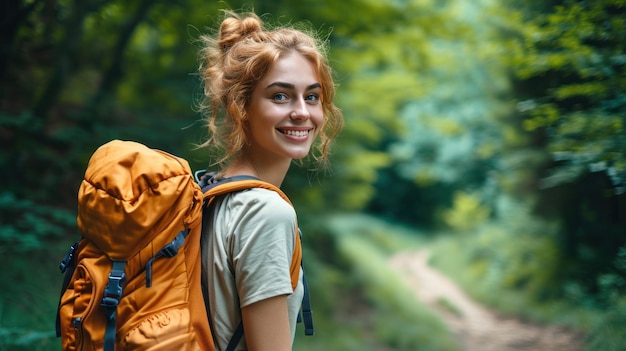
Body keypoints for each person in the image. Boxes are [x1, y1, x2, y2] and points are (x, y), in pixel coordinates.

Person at [196, 10, 343, 351]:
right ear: (241, 106)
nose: (302, 112)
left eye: (312, 96)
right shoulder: (266, 213)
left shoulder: (210, 190)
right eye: (280, 96)